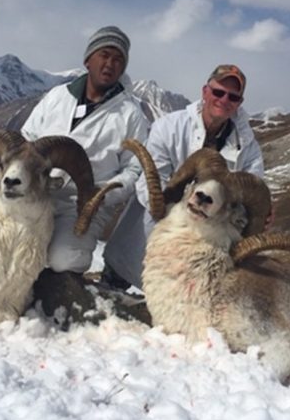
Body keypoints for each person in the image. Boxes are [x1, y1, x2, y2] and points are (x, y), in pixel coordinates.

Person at [20, 26, 149, 321]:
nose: (110, 64)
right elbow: (26, 136)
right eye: (104, 55)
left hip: (86, 202)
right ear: (88, 59)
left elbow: (135, 167)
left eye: (118, 59)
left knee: (64, 261)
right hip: (39, 191)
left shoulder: (130, 113)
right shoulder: (56, 97)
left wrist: (106, 192)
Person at [103, 64, 267, 289]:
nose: (224, 99)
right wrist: (186, 208)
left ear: (239, 103)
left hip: (200, 250)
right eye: (218, 92)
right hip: (147, 236)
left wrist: (257, 213)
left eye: (233, 96)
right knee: (110, 302)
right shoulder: (169, 127)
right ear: (205, 92)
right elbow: (148, 186)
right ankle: (114, 280)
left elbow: (251, 197)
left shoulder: (248, 148)